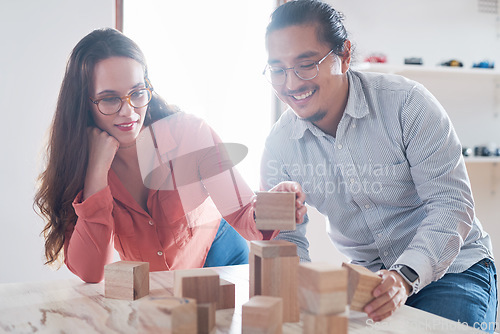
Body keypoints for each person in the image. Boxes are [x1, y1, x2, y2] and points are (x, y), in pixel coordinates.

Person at [260, 0, 497, 331]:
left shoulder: (406, 103)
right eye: (277, 69)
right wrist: (300, 296)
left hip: (453, 269)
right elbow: (287, 242)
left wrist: (404, 277)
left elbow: (451, 205)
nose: (291, 84)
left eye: (306, 64)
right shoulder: (279, 146)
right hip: (368, 283)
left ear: (343, 55)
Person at [34, 28, 306, 284]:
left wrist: (278, 206)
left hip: (221, 256)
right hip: (152, 285)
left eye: (137, 93)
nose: (129, 113)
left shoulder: (190, 134)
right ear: (84, 103)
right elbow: (91, 272)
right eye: (109, 99)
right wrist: (96, 172)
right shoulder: (78, 166)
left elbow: (246, 214)